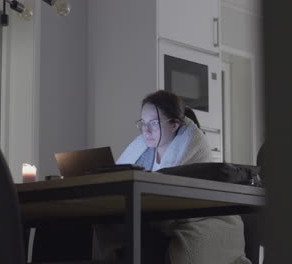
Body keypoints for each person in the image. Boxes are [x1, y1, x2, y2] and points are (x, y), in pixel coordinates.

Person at [94, 90, 251, 264]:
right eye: (143, 123)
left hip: (198, 218)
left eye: (153, 123)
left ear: (174, 124)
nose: (146, 130)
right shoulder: (143, 152)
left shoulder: (192, 146)